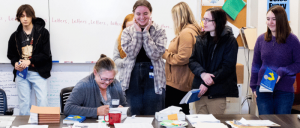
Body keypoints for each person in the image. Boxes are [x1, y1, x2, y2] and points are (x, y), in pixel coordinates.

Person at [250, 5, 300, 115]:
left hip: (284, 91)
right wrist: (253, 86)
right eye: (268, 19)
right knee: (266, 124)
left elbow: (298, 64)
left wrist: (282, 71)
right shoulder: (261, 39)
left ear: (282, 20)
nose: (270, 22)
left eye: (274, 19)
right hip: (263, 89)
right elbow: (256, 65)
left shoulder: (292, 40)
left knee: (282, 124)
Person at [120, 0, 167, 115]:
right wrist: (137, 33)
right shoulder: (127, 32)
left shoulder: (160, 31)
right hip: (132, 78)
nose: (142, 17)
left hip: (154, 79)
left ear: (150, 13)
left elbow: (155, 55)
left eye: (145, 13)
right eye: (138, 13)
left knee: (152, 114)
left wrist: (145, 34)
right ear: (134, 14)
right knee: (133, 115)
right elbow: (131, 54)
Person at [188, 7, 238, 114]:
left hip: (217, 93)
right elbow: (192, 61)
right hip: (200, 92)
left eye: (208, 20)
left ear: (218, 21)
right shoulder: (201, 39)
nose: (204, 22)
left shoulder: (229, 41)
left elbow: (227, 67)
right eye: (203, 19)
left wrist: (207, 83)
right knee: (200, 124)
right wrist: (202, 74)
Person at [7, 4, 52, 115]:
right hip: (22, 73)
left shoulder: (43, 33)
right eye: (22, 16)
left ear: (32, 17)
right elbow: (11, 55)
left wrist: (30, 61)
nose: (25, 19)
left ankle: (44, 125)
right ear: (18, 18)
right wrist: (15, 63)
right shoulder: (14, 36)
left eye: (28, 16)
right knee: (24, 104)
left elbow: (46, 54)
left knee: (43, 101)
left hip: (39, 72)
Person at [162, 2, 201, 114]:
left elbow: (183, 58)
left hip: (177, 83)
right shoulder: (192, 31)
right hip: (181, 82)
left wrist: (165, 54)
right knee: (181, 115)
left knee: (173, 117)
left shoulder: (186, 33)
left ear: (179, 17)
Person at [113, 14, 134, 82]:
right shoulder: (119, 41)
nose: (131, 29)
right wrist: (126, 61)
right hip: (125, 79)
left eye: (134, 26)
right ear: (124, 27)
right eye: (129, 27)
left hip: (142, 79)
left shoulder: (145, 39)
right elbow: (115, 60)